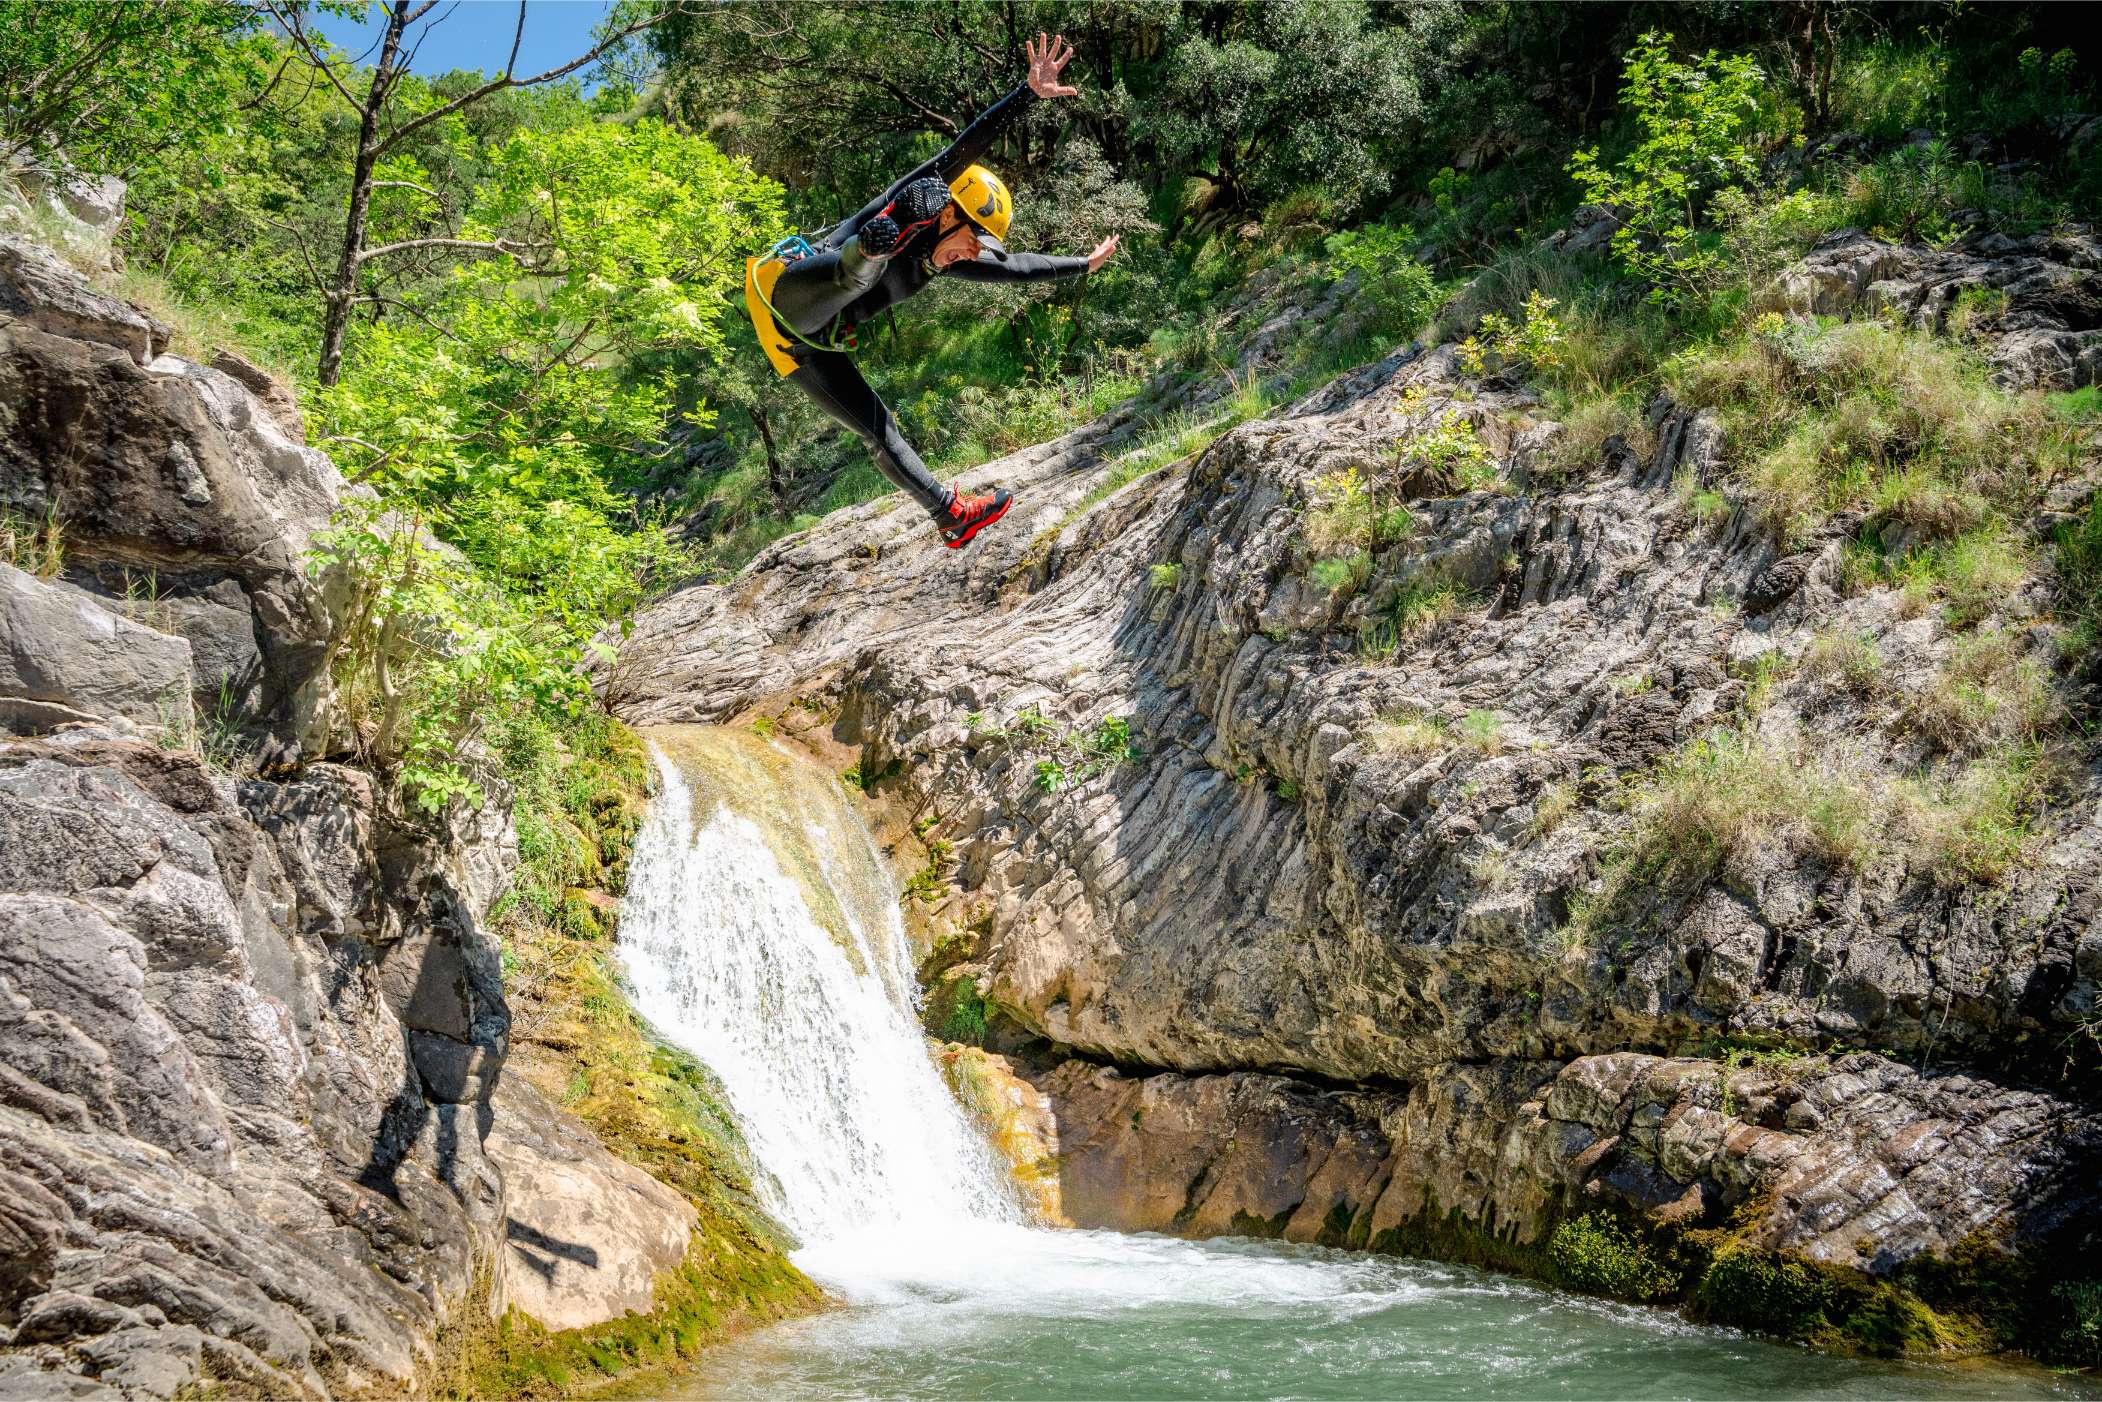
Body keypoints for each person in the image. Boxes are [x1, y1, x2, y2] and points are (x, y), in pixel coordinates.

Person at [743, 33, 1120, 549]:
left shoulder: (943, 261)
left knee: (880, 429)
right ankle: (872, 245)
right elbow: (963, 148)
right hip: (789, 291)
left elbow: (1017, 268)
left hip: (804, 345)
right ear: (947, 215)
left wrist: (1084, 264)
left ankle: (952, 518)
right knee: (869, 255)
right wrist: (1027, 95)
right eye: (973, 239)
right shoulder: (920, 199)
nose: (974, 253)